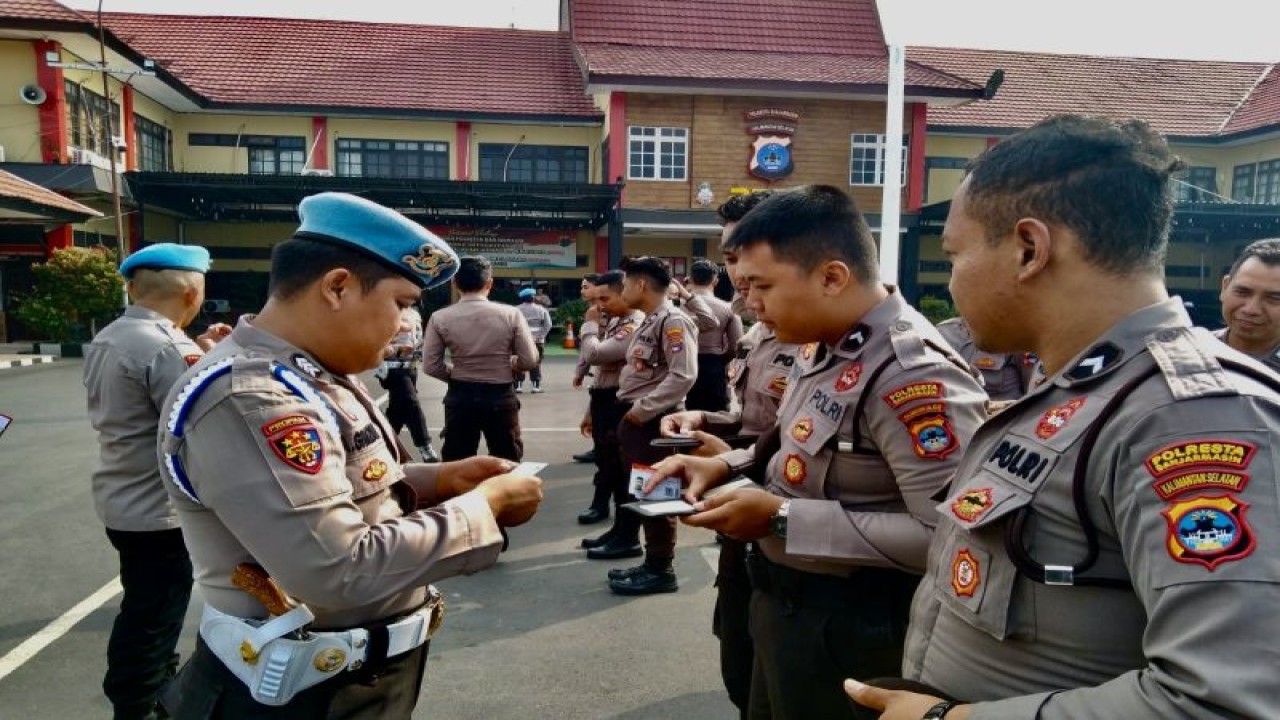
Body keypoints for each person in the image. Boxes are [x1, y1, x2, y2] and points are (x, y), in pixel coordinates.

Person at [844, 115, 1280, 720]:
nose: (953, 278)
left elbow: (1224, 700)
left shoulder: (1194, 417)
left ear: (1029, 249)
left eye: (955, 254)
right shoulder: (1086, 388)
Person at [156, 192, 543, 718]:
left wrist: (439, 480)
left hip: (346, 678)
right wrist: (485, 507)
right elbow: (336, 568)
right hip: (296, 696)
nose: (407, 326)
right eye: (403, 304)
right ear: (337, 287)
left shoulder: (308, 373)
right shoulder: (254, 396)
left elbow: (346, 485)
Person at [647, 185, 987, 719]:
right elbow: (789, 444)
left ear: (831, 277)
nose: (748, 303)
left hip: (852, 622)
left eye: (761, 286)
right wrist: (720, 463)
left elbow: (949, 538)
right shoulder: (821, 340)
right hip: (785, 602)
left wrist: (782, 518)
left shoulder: (913, 375)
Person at [658, 190, 800, 719]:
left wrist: (730, 458)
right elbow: (757, 420)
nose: (736, 272)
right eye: (728, 256)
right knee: (739, 653)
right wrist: (707, 424)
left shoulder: (820, 335)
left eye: (745, 256)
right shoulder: (762, 329)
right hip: (746, 507)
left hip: (784, 518)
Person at [83, 242, 226, 720]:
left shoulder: (112, 336)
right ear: (190, 293)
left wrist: (199, 351)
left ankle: (151, 690)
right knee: (153, 619)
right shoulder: (168, 347)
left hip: (121, 496)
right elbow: (199, 420)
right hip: (158, 508)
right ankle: (139, 704)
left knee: (145, 608)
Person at [593, 256, 699, 597]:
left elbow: (683, 375)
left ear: (640, 285)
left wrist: (642, 410)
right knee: (644, 491)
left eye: (625, 284)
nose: (622, 290)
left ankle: (661, 570)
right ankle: (652, 562)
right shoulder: (651, 320)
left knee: (658, 494)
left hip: (654, 422)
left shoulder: (673, 321)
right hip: (639, 418)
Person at [423, 256, 539, 461]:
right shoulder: (511, 314)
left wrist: (455, 372)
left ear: (454, 282)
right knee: (507, 460)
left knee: (457, 462)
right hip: (500, 395)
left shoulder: (439, 317)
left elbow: (431, 366)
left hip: (460, 395)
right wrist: (511, 364)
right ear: (490, 283)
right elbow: (529, 360)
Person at [575, 271, 645, 529]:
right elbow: (602, 373)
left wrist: (589, 324)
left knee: (620, 463)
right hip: (604, 397)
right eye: (598, 300)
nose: (600, 306)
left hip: (620, 400)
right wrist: (590, 411)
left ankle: (622, 527)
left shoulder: (633, 323)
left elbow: (595, 354)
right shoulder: (617, 321)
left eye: (606, 298)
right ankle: (602, 506)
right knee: (605, 459)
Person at [375, 304, 439, 462]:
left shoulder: (415, 313)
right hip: (393, 368)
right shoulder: (386, 309)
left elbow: (417, 338)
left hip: (411, 367)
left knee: (398, 410)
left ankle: (383, 447)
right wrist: (396, 350)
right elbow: (373, 342)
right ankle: (425, 447)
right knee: (411, 403)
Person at [681, 258, 743, 412]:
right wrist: (720, 361)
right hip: (712, 366)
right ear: (715, 280)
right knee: (715, 417)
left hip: (682, 364)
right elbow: (737, 345)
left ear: (691, 278)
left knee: (683, 417)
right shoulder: (728, 309)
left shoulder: (678, 308)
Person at [1214, 237, 1280, 372]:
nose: (1251, 309)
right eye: (1242, 292)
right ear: (1225, 287)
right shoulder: (1188, 353)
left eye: (1273, 298)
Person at [936, 316, 1034, 400]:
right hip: (954, 416)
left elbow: (1034, 389)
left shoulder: (1014, 334)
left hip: (1006, 418)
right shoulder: (943, 332)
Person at [572, 274, 601, 465]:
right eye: (582, 287)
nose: (582, 291)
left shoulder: (597, 311)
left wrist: (581, 371)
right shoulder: (594, 309)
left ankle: (601, 449)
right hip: (600, 363)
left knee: (601, 407)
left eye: (586, 287)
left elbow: (590, 347)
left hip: (604, 363)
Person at [515, 287, 553, 393]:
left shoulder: (516, 310)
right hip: (538, 341)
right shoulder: (541, 309)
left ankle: (518, 386)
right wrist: (541, 335)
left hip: (520, 341)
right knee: (536, 362)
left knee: (519, 362)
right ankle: (536, 386)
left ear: (522, 298)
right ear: (533, 298)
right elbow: (548, 324)